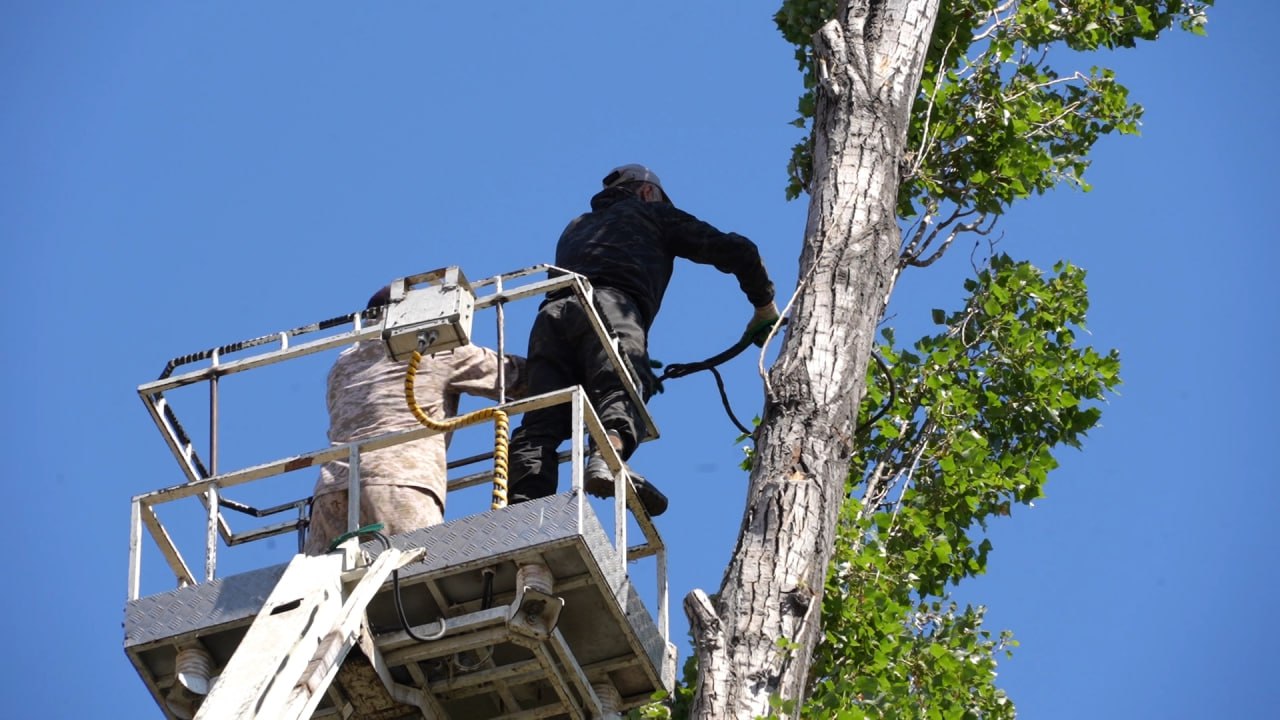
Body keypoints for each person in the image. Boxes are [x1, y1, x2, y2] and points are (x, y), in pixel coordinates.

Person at [508, 163, 779, 517]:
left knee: (543, 418)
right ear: (648, 192)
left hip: (550, 317)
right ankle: (607, 458)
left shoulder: (576, 227)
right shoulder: (651, 213)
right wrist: (764, 305)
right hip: (610, 304)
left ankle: (524, 509)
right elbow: (737, 250)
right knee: (625, 382)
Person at [305, 285, 526, 554]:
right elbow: (516, 378)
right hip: (400, 481)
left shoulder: (343, 364)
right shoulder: (434, 348)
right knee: (414, 578)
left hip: (331, 490)